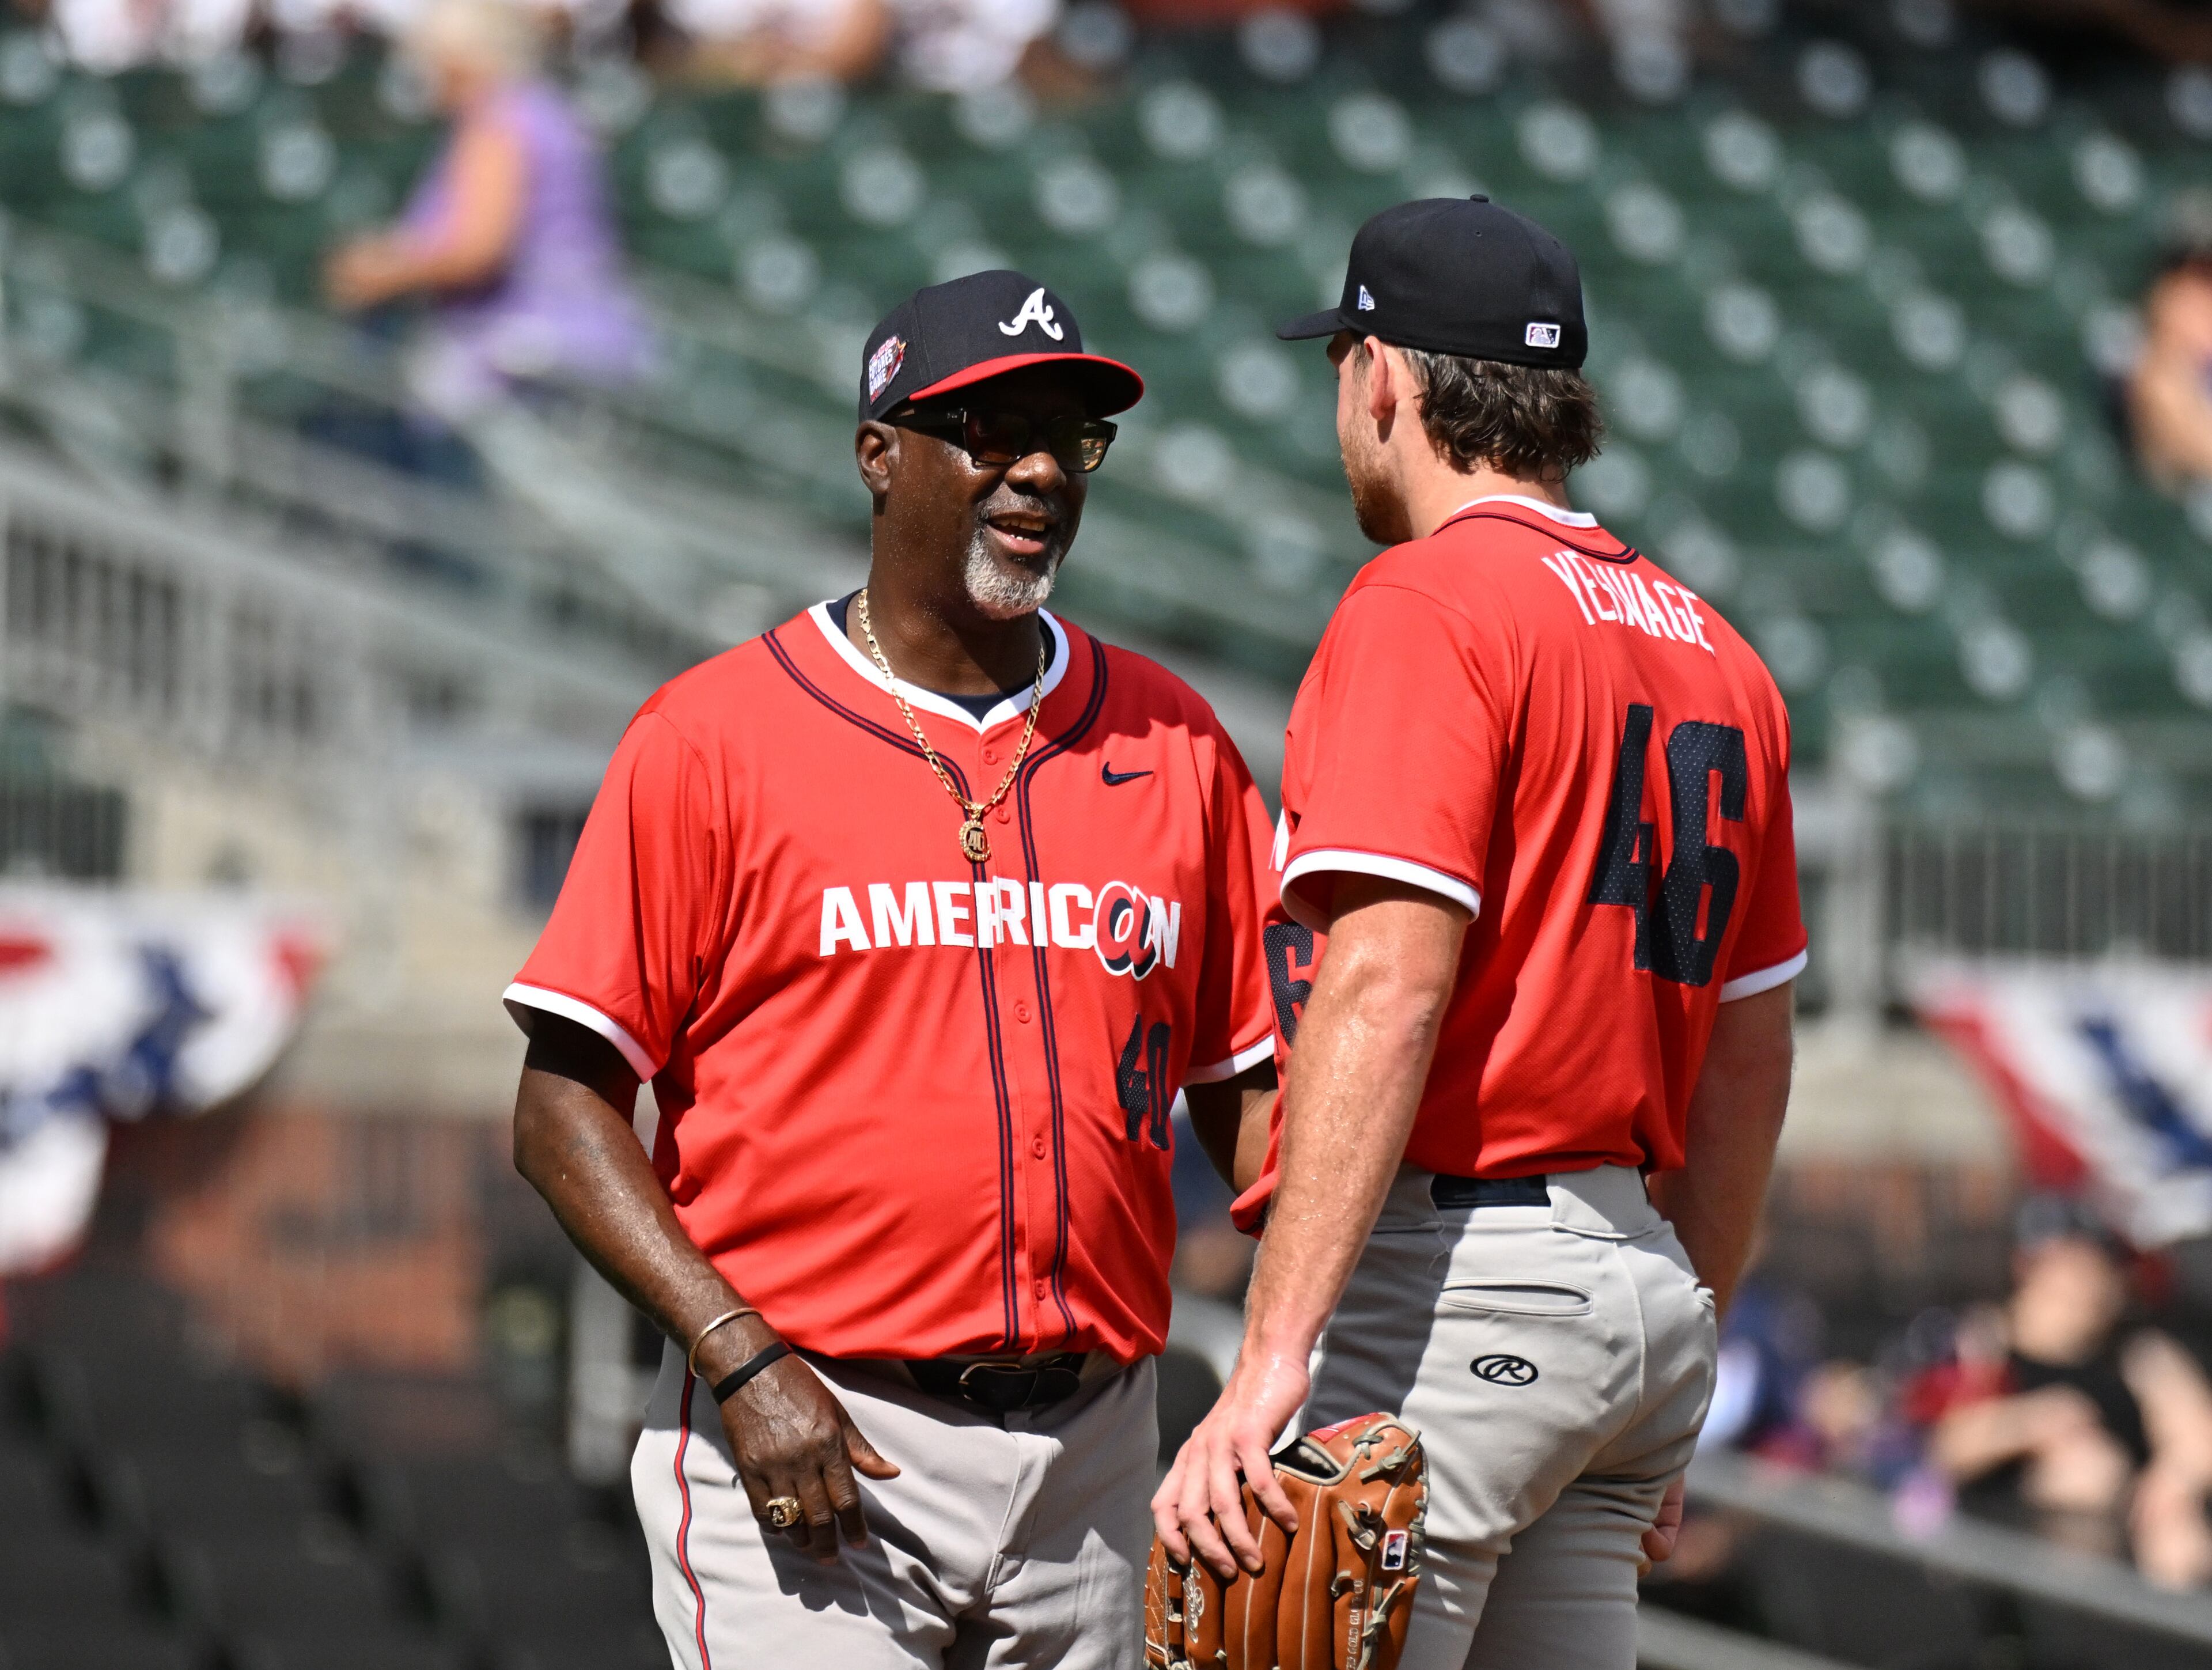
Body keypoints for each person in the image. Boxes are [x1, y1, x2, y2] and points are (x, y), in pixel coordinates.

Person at [507, 267, 1279, 1669]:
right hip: (811, 1430)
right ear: (879, 452)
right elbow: (561, 1112)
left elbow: (1251, 1095)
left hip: (1099, 1456)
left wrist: (1318, 1346)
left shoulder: (1175, 743)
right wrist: (736, 1355)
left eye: (1069, 436)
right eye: (991, 431)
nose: (1040, 468)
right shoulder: (712, 738)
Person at [1153, 196, 1808, 1669]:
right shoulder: (1719, 652)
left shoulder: (1429, 603)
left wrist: (1271, 1359)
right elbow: (1748, 1063)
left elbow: (1385, 987)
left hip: (1453, 1289)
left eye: (1341, 367)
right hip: (1633, 1293)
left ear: (1383, 374)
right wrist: (1675, 1341)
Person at [324, 0, 648, 426]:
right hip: (571, 352)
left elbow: (478, 248)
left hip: (526, 362)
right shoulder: (541, 109)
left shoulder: (498, 121)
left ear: (458, 60)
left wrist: (382, 271)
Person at [1925, 1196, 2212, 1588]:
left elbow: (2198, 1432)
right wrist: (2031, 1424)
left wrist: (2173, 1484)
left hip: (2126, 1544)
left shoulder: (2135, 1351)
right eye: (2072, 1267)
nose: (2087, 1284)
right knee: (2081, 1473)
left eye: (2098, 1268)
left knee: (2181, 1540)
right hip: (2008, 1539)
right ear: (2030, 1268)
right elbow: (1944, 1446)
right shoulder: (1982, 1342)